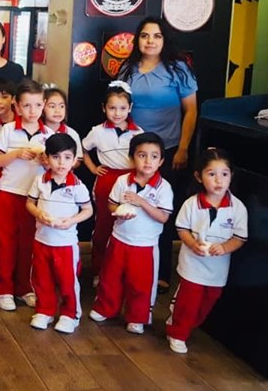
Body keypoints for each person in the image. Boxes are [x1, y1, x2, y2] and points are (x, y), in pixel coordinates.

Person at [118, 17, 198, 291]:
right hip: (135, 151)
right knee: (129, 207)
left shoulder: (178, 70)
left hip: (170, 151)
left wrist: (184, 147)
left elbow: (191, 111)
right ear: (137, 40)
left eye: (157, 36)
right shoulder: (127, 70)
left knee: (159, 210)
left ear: (165, 40)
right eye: (144, 36)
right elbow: (118, 106)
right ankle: (126, 269)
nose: (150, 41)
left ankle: (160, 271)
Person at [89, 132, 173, 335]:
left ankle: (137, 317)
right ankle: (106, 308)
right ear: (132, 157)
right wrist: (118, 212)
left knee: (141, 283)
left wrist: (142, 202)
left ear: (161, 161)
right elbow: (111, 203)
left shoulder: (164, 188)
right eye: (141, 155)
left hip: (145, 245)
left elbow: (163, 217)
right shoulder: (122, 181)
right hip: (119, 238)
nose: (147, 161)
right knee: (111, 276)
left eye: (154, 156)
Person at [167, 148, 247, 354]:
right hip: (193, 265)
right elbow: (182, 229)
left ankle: (182, 321)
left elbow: (239, 238)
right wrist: (193, 244)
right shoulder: (191, 204)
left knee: (207, 302)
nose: (218, 180)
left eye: (224, 174)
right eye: (211, 174)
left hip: (217, 269)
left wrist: (224, 247)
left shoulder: (237, 208)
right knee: (188, 303)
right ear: (199, 177)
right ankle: (177, 332)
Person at [0, 79, 54, 311]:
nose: (32, 111)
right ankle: (4, 288)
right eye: (26, 105)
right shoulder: (8, 130)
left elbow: (54, 168)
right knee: (6, 242)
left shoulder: (48, 134)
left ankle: (24, 287)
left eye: (37, 105)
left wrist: (46, 161)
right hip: (8, 193)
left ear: (44, 105)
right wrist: (16, 153)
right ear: (16, 106)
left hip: (34, 197)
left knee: (29, 243)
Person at [25, 133, 93, 334]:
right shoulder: (40, 181)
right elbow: (29, 203)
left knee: (67, 280)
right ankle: (45, 310)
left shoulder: (78, 186)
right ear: (46, 158)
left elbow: (88, 210)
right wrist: (39, 213)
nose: (61, 162)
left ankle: (70, 314)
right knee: (41, 278)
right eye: (55, 157)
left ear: (74, 160)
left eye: (66, 157)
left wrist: (70, 221)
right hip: (42, 240)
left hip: (65, 244)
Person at [81, 81, 143, 279]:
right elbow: (83, 149)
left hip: (130, 179)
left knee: (129, 224)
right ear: (104, 108)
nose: (117, 113)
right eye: (112, 108)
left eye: (123, 108)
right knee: (103, 225)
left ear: (130, 108)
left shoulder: (138, 132)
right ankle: (100, 271)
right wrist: (92, 167)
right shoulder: (97, 131)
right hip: (107, 179)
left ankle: (122, 272)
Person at [42, 87, 83, 161]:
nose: (57, 111)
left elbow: (78, 160)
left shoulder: (71, 133)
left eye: (61, 106)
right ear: (42, 107)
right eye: (52, 106)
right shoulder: (36, 131)